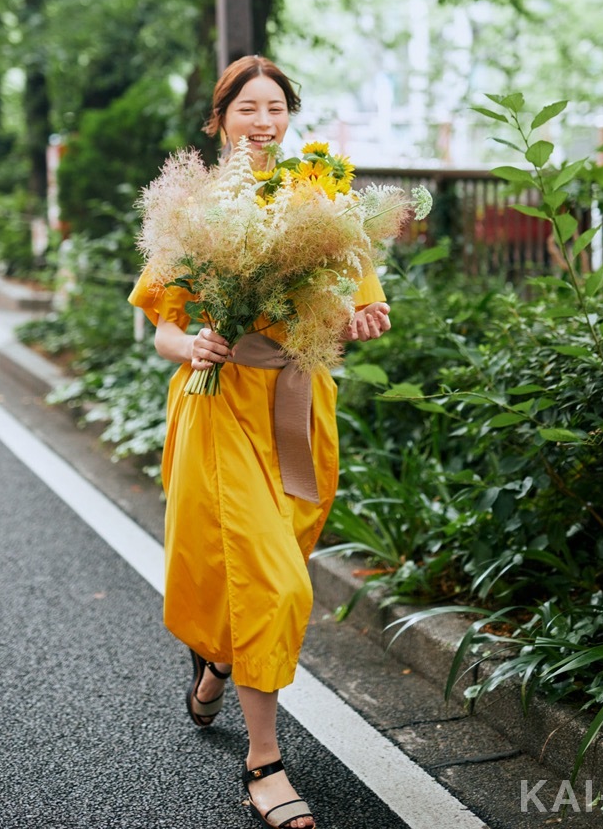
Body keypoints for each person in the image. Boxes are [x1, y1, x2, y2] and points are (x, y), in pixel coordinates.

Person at [128, 55, 391, 829]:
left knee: (268, 570)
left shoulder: (324, 201)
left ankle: (218, 662)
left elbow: (352, 310)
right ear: (219, 121)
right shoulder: (195, 208)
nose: (263, 122)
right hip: (218, 409)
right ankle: (265, 764)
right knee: (275, 586)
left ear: (290, 118)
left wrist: (360, 322)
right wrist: (195, 346)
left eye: (276, 108)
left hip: (298, 410)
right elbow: (164, 329)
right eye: (248, 108)